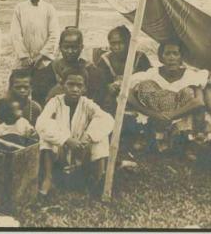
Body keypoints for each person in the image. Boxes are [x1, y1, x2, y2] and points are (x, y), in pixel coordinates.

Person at [35, 67, 114, 197]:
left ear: (85, 89)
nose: (75, 89)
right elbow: (41, 123)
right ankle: (48, 178)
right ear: (62, 85)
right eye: (70, 84)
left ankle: (99, 179)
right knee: (48, 129)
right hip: (60, 151)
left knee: (101, 135)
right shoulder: (55, 102)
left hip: (81, 152)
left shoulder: (87, 104)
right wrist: (66, 140)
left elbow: (107, 119)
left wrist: (87, 137)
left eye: (79, 85)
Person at [128, 40, 208, 154]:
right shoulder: (152, 73)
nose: (171, 58)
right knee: (145, 86)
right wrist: (154, 114)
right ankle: (153, 137)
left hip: (180, 115)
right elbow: (129, 96)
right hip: (155, 115)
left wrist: (171, 115)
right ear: (161, 57)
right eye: (167, 54)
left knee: (188, 92)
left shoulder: (191, 75)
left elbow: (199, 102)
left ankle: (183, 142)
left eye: (176, 54)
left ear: (181, 57)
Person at [32, 27, 103, 106]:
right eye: (66, 47)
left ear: (81, 47)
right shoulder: (51, 69)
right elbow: (39, 97)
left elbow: (97, 98)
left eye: (74, 47)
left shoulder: (91, 71)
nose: (70, 51)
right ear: (60, 47)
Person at [10, 0, 59, 70]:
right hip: (23, 62)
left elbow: (54, 35)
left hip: (44, 61)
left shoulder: (49, 9)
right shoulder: (19, 8)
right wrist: (24, 56)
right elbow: (15, 35)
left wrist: (42, 55)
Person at [97, 25, 151, 114]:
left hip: (137, 103)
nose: (117, 47)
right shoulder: (105, 60)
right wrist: (108, 86)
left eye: (120, 43)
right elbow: (100, 84)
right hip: (113, 104)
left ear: (128, 42)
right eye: (113, 43)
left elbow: (149, 81)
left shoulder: (140, 58)